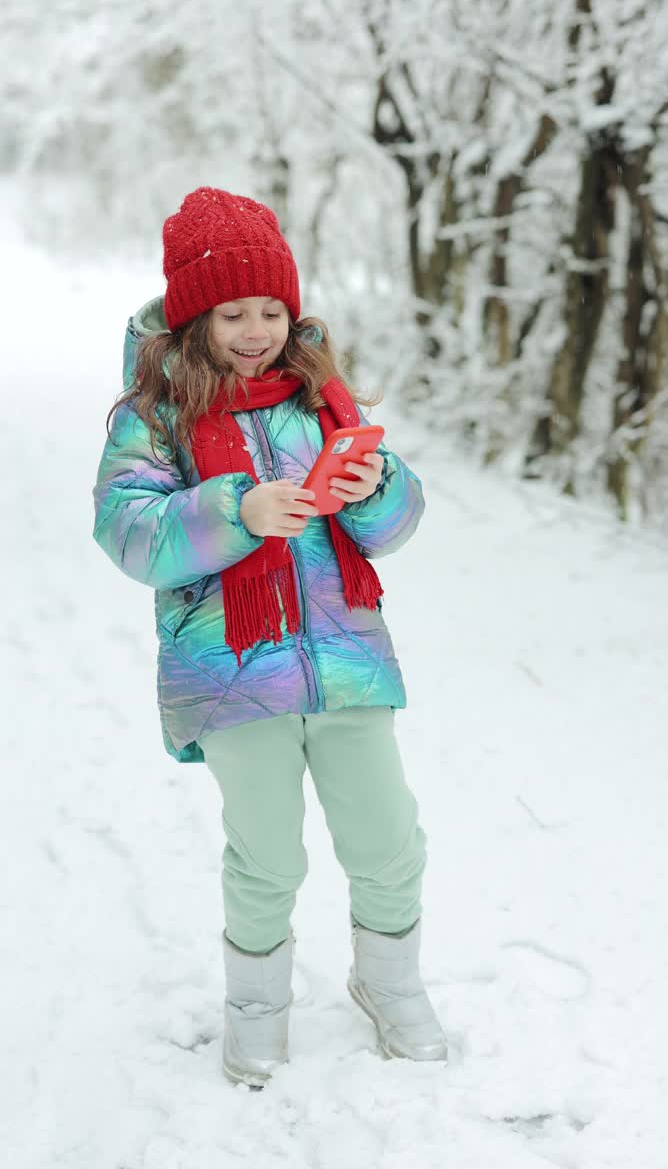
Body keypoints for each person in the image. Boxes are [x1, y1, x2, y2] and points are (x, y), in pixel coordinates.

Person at [92, 187, 447, 1088]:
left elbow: (393, 528)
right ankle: (256, 1004)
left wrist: (375, 486)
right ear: (192, 316)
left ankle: (389, 979)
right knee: (268, 853)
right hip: (230, 671)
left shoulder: (321, 399)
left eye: (271, 308)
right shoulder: (155, 414)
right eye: (232, 312)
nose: (255, 329)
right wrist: (233, 510)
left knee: (387, 835)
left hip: (347, 658)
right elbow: (127, 531)